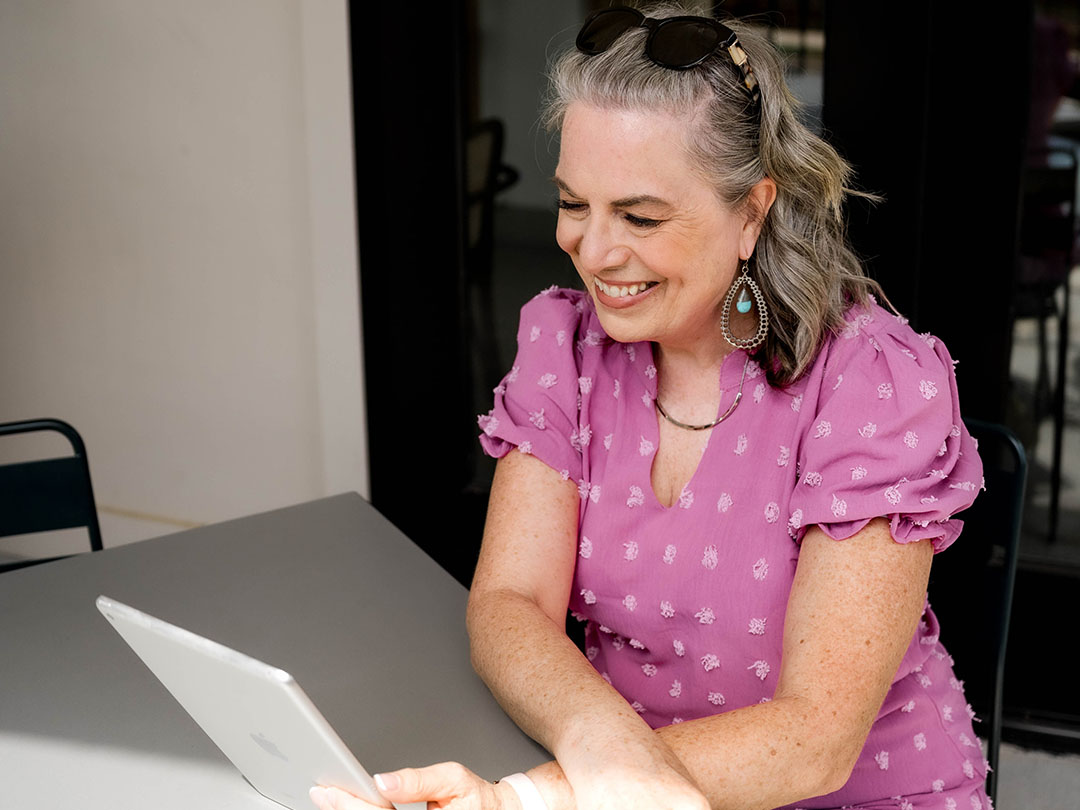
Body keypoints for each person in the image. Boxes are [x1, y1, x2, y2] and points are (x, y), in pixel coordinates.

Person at [311, 4, 987, 809]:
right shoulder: (566, 344)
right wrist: (599, 748)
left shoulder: (868, 383)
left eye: (639, 216)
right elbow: (511, 603)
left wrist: (534, 799)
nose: (595, 252)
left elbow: (815, 742)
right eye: (573, 204)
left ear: (751, 212)